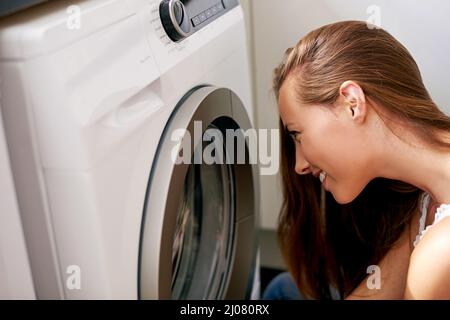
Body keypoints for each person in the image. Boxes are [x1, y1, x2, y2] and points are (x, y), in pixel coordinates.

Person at [270, 20, 450, 299]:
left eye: (297, 134)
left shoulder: (439, 254)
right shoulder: (428, 194)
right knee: (282, 288)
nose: (299, 165)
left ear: (353, 103)